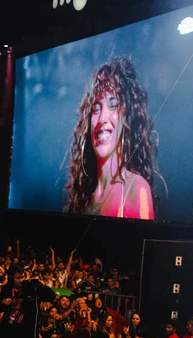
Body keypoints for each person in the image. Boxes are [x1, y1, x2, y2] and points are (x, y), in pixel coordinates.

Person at [65, 57, 159, 219]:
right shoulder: (82, 199)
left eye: (113, 105)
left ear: (126, 116)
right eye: (95, 109)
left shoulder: (136, 190)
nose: (102, 118)